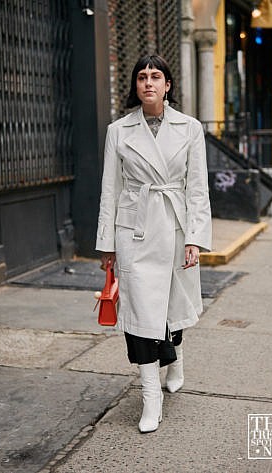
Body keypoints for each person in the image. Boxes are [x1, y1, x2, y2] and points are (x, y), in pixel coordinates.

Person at [96, 54, 212, 433]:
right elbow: (109, 190)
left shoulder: (190, 128)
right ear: (135, 86)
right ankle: (151, 397)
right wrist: (107, 245)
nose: (148, 82)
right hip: (134, 229)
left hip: (175, 228)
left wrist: (195, 238)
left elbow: (197, 188)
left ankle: (174, 357)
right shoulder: (119, 130)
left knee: (171, 308)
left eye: (155, 76)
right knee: (141, 315)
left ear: (167, 86)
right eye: (141, 77)